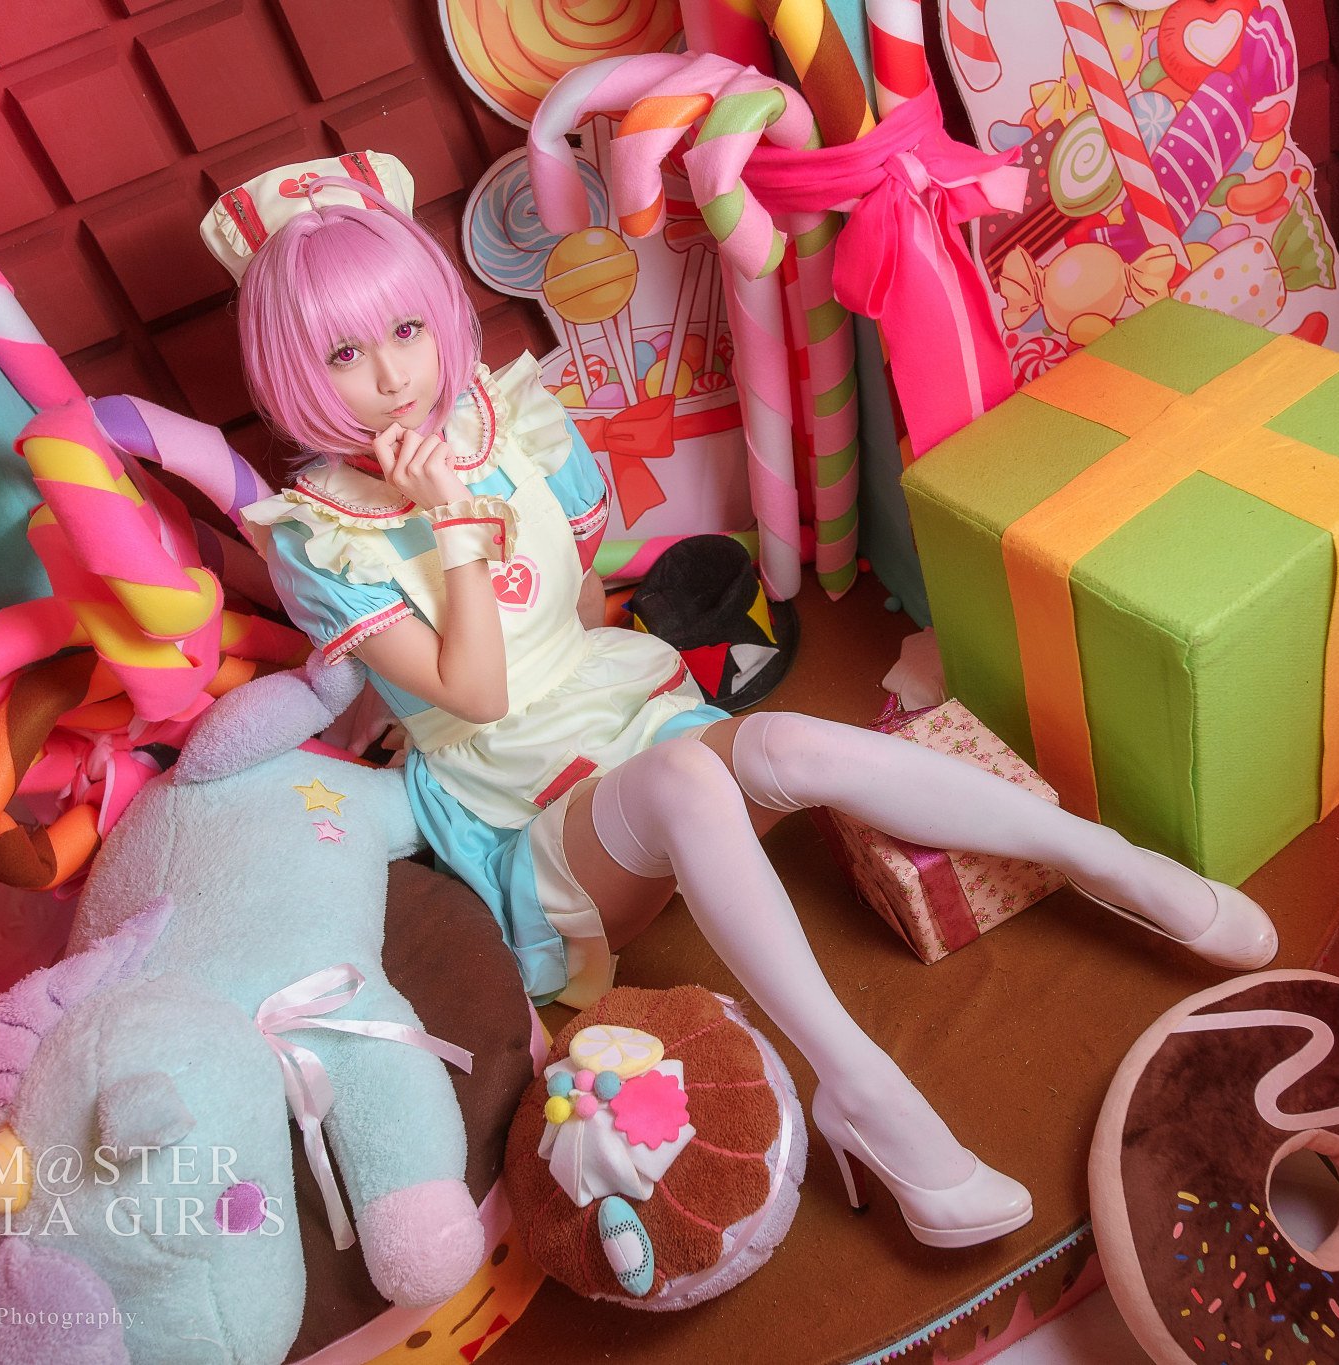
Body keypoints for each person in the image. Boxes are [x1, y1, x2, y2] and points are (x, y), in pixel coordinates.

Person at [211, 156, 1278, 1251]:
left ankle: (1106, 861)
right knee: (686, 778)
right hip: (522, 811)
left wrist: (483, 531)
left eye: (405, 330)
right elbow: (480, 695)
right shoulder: (315, 537)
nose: (394, 377)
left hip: (617, 712)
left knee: (779, 743)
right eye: (343, 354)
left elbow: (575, 604)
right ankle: (861, 1088)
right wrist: (452, 527)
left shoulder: (506, 416)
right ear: (290, 369)